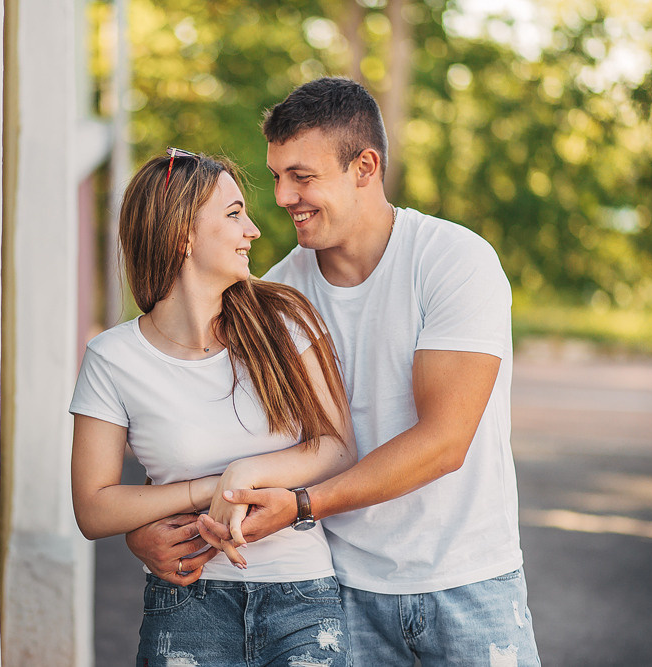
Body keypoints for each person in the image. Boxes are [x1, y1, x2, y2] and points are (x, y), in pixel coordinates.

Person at [127, 78, 541, 665]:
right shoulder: (271, 295)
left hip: (469, 581)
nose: (281, 197)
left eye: (302, 176)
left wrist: (301, 504)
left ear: (365, 167)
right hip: (336, 591)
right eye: (275, 177)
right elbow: (206, 426)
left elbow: (444, 442)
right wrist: (147, 530)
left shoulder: (453, 261)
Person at [69, 149, 358, 666]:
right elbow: (93, 508)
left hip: (302, 601)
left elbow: (336, 449)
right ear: (183, 234)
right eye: (233, 214)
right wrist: (211, 489)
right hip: (185, 603)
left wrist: (245, 472)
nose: (253, 230)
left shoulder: (286, 322)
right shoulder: (112, 359)